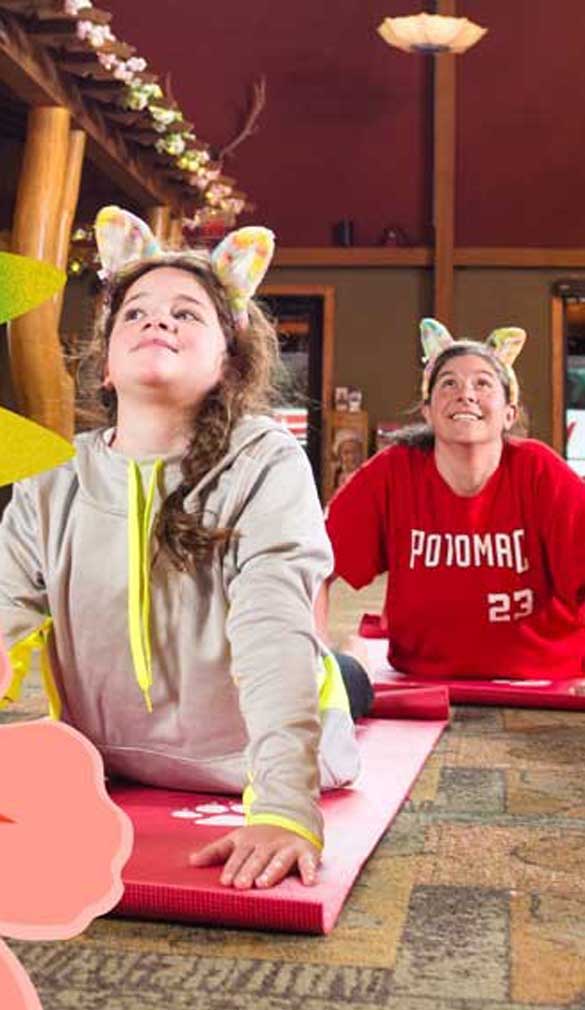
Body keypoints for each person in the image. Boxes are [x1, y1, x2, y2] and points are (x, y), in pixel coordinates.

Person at [0, 207, 361, 891]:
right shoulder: (53, 479)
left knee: (338, 677)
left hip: (241, 755)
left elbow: (273, 629)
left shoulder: (265, 463)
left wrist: (283, 807)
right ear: (104, 366)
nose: (156, 321)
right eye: (134, 312)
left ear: (228, 363)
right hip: (109, 755)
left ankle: (345, 679)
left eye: (186, 314)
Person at [320, 318, 585, 681]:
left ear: (509, 413)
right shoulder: (393, 472)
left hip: (544, 680)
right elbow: (312, 562)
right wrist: (311, 659)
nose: (466, 394)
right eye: (449, 383)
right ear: (428, 412)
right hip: (420, 679)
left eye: (482, 383)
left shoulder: (540, 471)